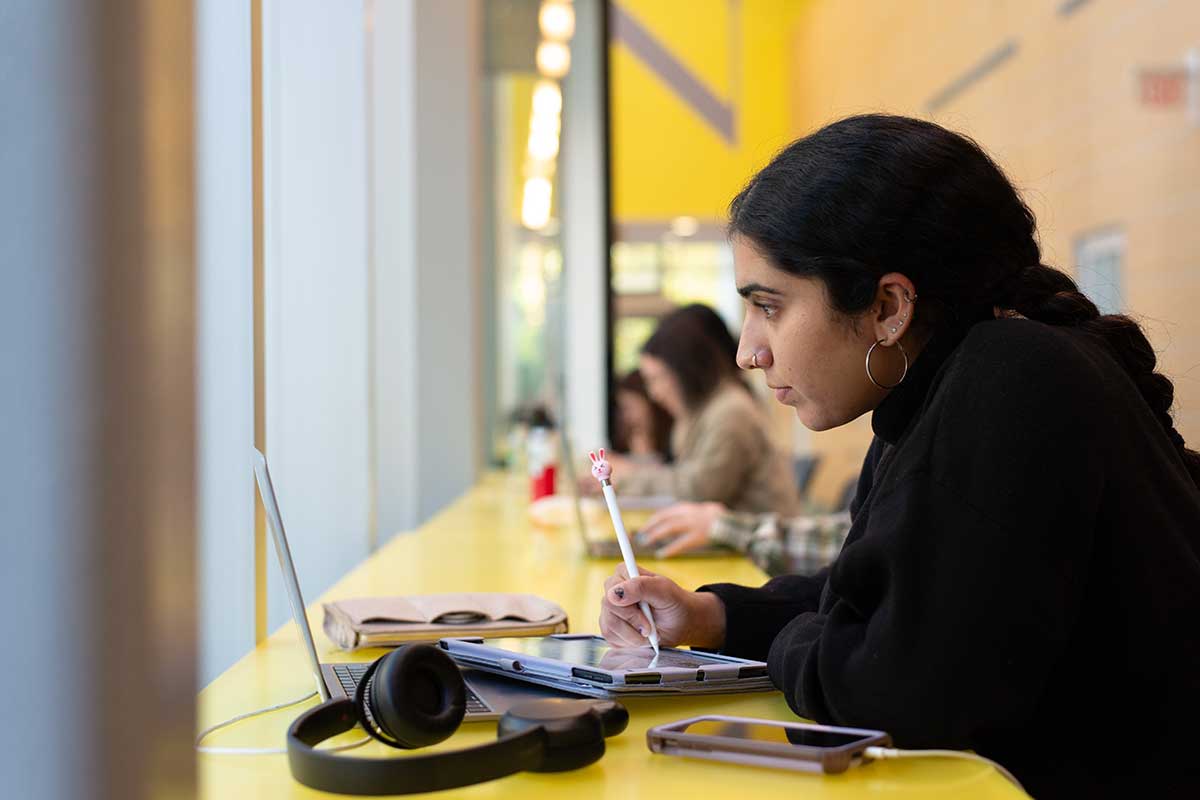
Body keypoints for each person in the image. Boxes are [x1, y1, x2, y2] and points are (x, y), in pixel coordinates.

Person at [598, 114, 1200, 798]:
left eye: (770, 306)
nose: (748, 351)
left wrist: (799, 639)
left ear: (888, 306)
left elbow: (902, 693)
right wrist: (717, 617)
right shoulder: (936, 387)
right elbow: (866, 599)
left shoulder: (1012, 375)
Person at [596, 304, 800, 516]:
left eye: (657, 379)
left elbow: (699, 490)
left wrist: (627, 477)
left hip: (756, 545)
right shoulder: (703, 410)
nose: (654, 393)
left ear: (685, 372)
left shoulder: (731, 412)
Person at [610, 369, 672, 461]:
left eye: (629, 408)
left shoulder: (675, 444)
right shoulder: (615, 453)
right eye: (620, 409)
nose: (623, 417)